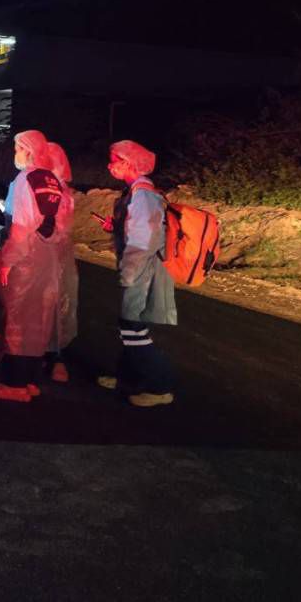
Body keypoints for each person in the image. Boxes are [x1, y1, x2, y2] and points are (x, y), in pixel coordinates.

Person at [0, 130, 64, 403]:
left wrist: (7, 261)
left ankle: (14, 384)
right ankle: (30, 381)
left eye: (18, 148)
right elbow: (57, 225)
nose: (15, 153)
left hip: (25, 260)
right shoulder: (51, 179)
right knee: (38, 320)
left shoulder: (24, 180)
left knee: (17, 320)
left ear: (28, 150)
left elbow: (20, 227)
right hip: (47, 257)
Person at [98, 139, 177, 407]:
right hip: (140, 268)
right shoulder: (136, 193)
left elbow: (144, 241)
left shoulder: (142, 195)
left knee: (132, 327)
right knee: (129, 326)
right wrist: (116, 228)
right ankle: (128, 378)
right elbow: (138, 229)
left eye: (114, 161)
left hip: (142, 271)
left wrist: (129, 273)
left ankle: (161, 386)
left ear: (129, 163)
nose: (110, 166)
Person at [44, 141, 78, 382]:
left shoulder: (51, 190)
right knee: (56, 304)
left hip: (49, 253)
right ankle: (54, 357)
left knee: (51, 304)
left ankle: (53, 358)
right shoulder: (64, 190)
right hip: (59, 254)